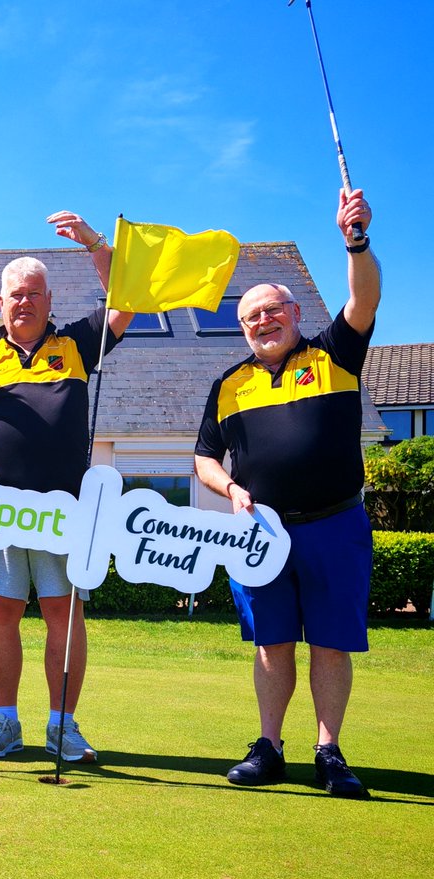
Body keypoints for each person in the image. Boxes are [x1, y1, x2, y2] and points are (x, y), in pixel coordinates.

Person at [193, 189, 380, 798]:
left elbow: (365, 296)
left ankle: (329, 753)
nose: (262, 323)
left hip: (334, 525)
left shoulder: (334, 355)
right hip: (262, 534)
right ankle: (269, 747)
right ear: (240, 328)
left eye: (272, 312)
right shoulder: (228, 385)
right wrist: (230, 489)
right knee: (272, 643)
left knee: (330, 643)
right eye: (250, 318)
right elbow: (202, 460)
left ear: (294, 313)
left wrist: (355, 240)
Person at [0, 212, 132, 762]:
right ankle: (4, 724)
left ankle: (62, 727)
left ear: (50, 301)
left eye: (34, 295)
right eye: (15, 295)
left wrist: (96, 243)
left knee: (63, 616)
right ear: (1, 303)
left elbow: (125, 301)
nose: (24, 303)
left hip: (64, 515)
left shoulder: (77, 345)